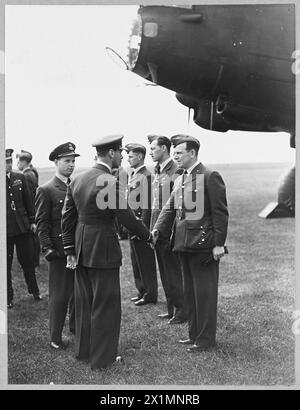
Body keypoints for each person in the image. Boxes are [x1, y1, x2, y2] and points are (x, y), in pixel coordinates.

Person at [61, 134, 151, 370]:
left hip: (81, 248)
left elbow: (67, 219)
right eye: (120, 152)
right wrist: (147, 235)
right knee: (106, 305)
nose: (122, 156)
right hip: (103, 249)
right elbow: (125, 216)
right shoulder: (109, 181)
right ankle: (103, 359)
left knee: (84, 302)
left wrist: (70, 248)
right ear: (111, 153)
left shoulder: (77, 180)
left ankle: (84, 351)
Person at [153, 135, 229, 352]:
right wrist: (158, 228)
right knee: (190, 293)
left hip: (203, 245)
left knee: (204, 294)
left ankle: (205, 340)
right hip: (183, 244)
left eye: (178, 153)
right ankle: (194, 335)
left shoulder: (210, 176)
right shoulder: (181, 178)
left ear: (192, 153)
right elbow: (169, 208)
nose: (175, 156)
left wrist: (218, 244)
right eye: (174, 153)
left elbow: (220, 213)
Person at [35, 142, 79, 350]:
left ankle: (76, 327)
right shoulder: (47, 189)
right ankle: (55, 337)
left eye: (73, 161)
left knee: (78, 292)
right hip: (60, 251)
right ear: (56, 162)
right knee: (59, 296)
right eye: (66, 161)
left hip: (77, 248)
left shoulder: (76, 185)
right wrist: (47, 248)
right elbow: (42, 223)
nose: (71, 165)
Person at [148, 135, 186, 324]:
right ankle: (171, 308)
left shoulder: (175, 171)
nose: (150, 152)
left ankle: (181, 310)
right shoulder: (158, 169)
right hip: (158, 228)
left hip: (169, 229)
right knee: (164, 270)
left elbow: (176, 205)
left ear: (164, 148)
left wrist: (169, 230)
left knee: (173, 271)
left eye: (153, 148)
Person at [6, 148, 41, 309]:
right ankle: (8, 297)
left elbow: (28, 201)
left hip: (22, 227)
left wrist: (32, 221)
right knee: (5, 265)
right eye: (5, 161)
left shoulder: (19, 177)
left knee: (27, 261)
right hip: (5, 230)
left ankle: (34, 291)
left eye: (10, 161)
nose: (8, 164)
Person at [125, 143, 158, 306]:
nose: (128, 159)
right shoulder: (135, 174)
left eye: (130, 156)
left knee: (145, 261)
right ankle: (141, 290)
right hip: (133, 224)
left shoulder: (146, 175)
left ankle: (150, 293)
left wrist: (143, 229)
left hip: (140, 225)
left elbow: (147, 205)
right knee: (135, 260)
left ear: (139, 156)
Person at [16, 149, 40, 267]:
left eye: (18, 162)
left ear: (24, 162)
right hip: (35, 207)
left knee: (32, 236)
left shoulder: (26, 175)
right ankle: (34, 260)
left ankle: (34, 261)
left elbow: (29, 196)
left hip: (32, 208)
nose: (17, 164)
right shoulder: (32, 172)